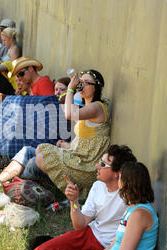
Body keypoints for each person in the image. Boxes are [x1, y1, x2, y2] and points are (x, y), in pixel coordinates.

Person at [12, 144, 137, 250]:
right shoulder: (98, 186)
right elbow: (80, 225)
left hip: (105, 249)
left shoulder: (129, 197)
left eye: (103, 165)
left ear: (117, 174)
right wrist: (74, 201)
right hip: (87, 235)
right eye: (100, 161)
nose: (97, 166)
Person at [39, 161, 158, 250]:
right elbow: (113, 245)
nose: (118, 182)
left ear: (126, 183)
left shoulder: (140, 214)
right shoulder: (132, 209)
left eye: (120, 178)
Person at [34, 69, 110, 198]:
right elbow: (84, 141)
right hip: (80, 158)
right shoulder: (85, 107)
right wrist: (67, 146)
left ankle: (71, 193)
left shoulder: (97, 107)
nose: (82, 85)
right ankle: (65, 191)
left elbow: (69, 114)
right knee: (39, 150)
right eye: (81, 82)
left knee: (42, 156)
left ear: (96, 87)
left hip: (88, 166)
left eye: (87, 82)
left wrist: (70, 89)